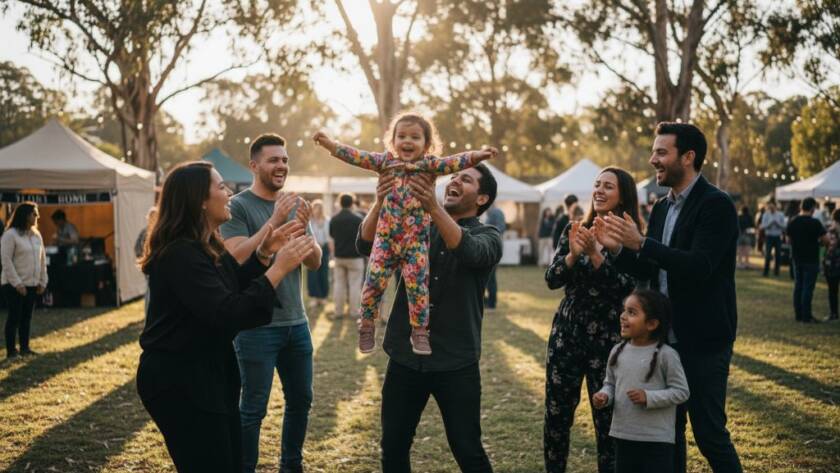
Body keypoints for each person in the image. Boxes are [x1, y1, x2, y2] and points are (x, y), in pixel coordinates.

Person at [135, 161, 315, 472]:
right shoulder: (181, 254)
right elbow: (227, 312)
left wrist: (264, 254)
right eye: (221, 187)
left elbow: (232, 283)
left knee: (230, 461)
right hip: (178, 380)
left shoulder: (205, 245)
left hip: (207, 373)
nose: (229, 193)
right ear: (200, 201)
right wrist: (278, 268)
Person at [595, 122, 743, 473]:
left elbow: (699, 266)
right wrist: (617, 249)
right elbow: (650, 265)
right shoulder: (662, 208)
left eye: (661, 152)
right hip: (664, 340)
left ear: (688, 157)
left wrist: (642, 243)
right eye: (654, 152)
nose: (653, 160)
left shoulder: (716, 204)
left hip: (703, 338)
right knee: (668, 435)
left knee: (709, 434)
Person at [312, 113, 497, 355]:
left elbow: (455, 162)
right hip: (385, 240)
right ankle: (366, 324)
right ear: (392, 141)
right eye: (401, 136)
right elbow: (357, 156)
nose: (407, 141)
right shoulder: (385, 162)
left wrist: (478, 155)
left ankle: (419, 331)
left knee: (418, 286)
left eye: (415, 137)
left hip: (415, 243)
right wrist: (330, 145)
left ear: (427, 144)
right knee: (373, 283)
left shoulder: (430, 166)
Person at [357, 164, 502, 473]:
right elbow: (366, 245)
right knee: (393, 446)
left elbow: (471, 252)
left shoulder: (489, 236)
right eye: (454, 176)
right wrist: (379, 202)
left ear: (482, 198)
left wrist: (433, 208)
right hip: (405, 356)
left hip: (456, 361)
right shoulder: (417, 224)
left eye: (466, 179)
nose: (455, 180)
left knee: (468, 450)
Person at [220, 134, 323, 473]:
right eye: (273, 160)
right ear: (254, 165)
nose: (281, 166)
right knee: (253, 409)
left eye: (285, 160)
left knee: (301, 401)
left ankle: (291, 465)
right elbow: (236, 257)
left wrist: (305, 229)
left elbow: (315, 262)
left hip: (297, 323)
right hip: (255, 327)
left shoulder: (294, 205)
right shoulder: (236, 206)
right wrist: (274, 221)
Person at [544, 167, 640, 473]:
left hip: (609, 340)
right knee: (557, 417)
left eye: (608, 186)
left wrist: (596, 256)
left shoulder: (631, 236)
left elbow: (628, 290)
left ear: (623, 195)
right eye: (597, 184)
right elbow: (552, 279)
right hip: (567, 336)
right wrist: (573, 255)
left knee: (608, 422)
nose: (599, 190)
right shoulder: (575, 229)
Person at [593, 290, 690, 473]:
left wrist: (649, 397)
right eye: (624, 310)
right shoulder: (617, 351)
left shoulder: (667, 355)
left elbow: (681, 391)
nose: (623, 316)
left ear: (651, 324)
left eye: (631, 312)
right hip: (624, 436)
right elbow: (610, 384)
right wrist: (604, 396)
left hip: (657, 441)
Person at [1, 202, 47, 359]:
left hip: (32, 284)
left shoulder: (36, 235)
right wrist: (17, 283)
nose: (37, 216)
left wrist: (43, 281)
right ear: (25, 215)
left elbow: (42, 259)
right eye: (34, 213)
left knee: (26, 317)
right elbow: (6, 261)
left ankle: (25, 348)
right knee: (14, 317)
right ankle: (11, 351)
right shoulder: (10, 235)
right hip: (13, 284)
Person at [786, 197, 829, 323]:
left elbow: (788, 240)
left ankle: (798, 315)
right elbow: (826, 240)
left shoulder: (793, 221)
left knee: (798, 286)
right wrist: (819, 243)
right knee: (808, 288)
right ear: (813, 208)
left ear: (801, 206)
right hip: (811, 259)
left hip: (797, 258)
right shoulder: (815, 223)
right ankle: (806, 316)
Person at [329, 193, 365, 319]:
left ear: (340, 203)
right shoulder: (358, 219)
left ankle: (338, 312)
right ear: (352, 203)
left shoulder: (334, 219)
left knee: (339, 284)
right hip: (355, 256)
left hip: (339, 256)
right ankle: (354, 312)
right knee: (355, 285)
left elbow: (332, 236)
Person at [306, 200, 330, 310]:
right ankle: (314, 297)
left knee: (324, 272)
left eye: (319, 208)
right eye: (315, 208)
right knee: (312, 273)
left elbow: (329, 237)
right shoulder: (309, 221)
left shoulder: (327, 220)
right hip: (311, 248)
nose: (317, 210)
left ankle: (323, 297)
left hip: (324, 248)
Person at [484, 203, 506, 309]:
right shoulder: (492, 213)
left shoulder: (496, 212)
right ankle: (489, 301)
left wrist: (486, 232)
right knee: (489, 277)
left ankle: (491, 303)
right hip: (491, 247)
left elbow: (500, 228)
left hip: (493, 248)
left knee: (490, 278)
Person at [760, 201, 786, 276]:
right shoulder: (766, 214)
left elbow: (784, 226)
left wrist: (778, 224)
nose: (771, 208)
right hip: (769, 236)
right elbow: (763, 226)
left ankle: (776, 271)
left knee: (778, 254)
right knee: (768, 254)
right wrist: (770, 224)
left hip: (777, 236)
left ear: (775, 206)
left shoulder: (780, 214)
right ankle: (766, 271)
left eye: (772, 207)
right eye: (770, 207)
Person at [824, 209, 840, 321]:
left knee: (832, 290)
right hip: (834, 263)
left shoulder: (831, 231)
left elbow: (827, 245)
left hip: (832, 263)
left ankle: (833, 313)